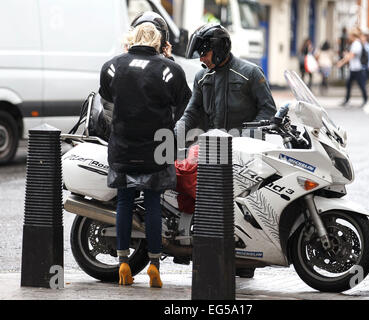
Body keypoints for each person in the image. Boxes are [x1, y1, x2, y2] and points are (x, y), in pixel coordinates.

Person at [175, 23, 276, 278]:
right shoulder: (202, 77)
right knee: (204, 198)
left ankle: (245, 262)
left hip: (245, 151)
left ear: (219, 49)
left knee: (244, 204)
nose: (201, 58)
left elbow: (268, 110)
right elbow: (192, 111)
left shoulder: (251, 73)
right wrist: (177, 131)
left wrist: (248, 135)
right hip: (212, 149)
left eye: (204, 53)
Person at [98, 14, 190, 287]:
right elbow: (182, 109)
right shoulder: (170, 70)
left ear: (132, 38)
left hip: (123, 148)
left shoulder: (112, 66)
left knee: (125, 202)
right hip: (155, 150)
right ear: (160, 42)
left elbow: (107, 109)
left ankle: (124, 262)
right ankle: (154, 265)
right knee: (152, 204)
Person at [336, 27, 368, 108]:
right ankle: (347, 100)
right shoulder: (354, 44)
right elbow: (351, 55)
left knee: (361, 85)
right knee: (349, 84)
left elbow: (351, 56)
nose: (349, 37)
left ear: (353, 36)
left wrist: (341, 62)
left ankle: (365, 99)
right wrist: (346, 55)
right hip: (353, 68)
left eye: (350, 35)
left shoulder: (356, 44)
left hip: (357, 69)